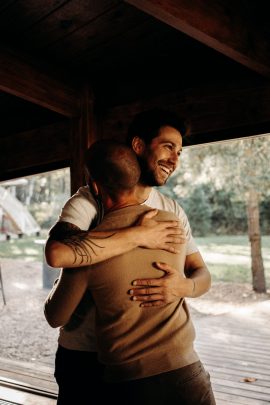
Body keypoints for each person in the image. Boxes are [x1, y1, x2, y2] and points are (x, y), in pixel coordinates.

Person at [44, 108, 212, 404]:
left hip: (144, 369)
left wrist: (180, 287)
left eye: (180, 152)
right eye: (168, 147)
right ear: (138, 146)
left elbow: (201, 272)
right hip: (84, 354)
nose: (175, 159)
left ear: (98, 183)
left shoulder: (173, 210)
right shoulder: (87, 201)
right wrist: (138, 235)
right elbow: (58, 252)